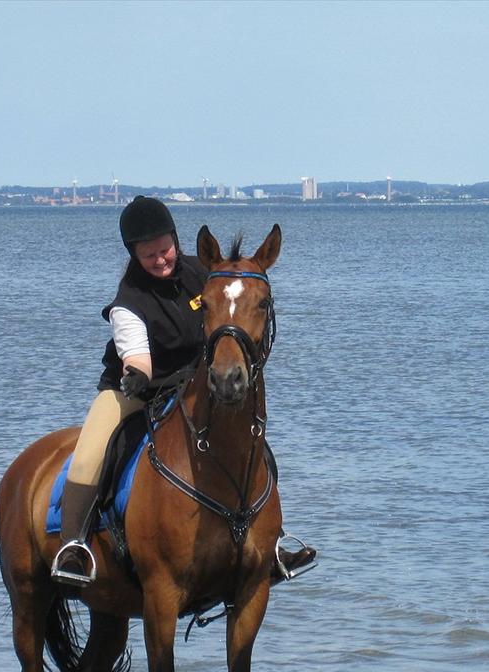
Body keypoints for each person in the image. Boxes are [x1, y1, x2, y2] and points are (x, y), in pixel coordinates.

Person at [52, 196, 316, 587]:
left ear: (175, 240)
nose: (161, 260)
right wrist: (138, 375)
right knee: (92, 450)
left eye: (165, 249)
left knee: (251, 437)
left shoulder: (203, 274)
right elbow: (137, 356)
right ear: (133, 255)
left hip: (195, 381)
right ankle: (74, 546)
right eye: (149, 255)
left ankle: (271, 543)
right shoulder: (128, 301)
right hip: (136, 388)